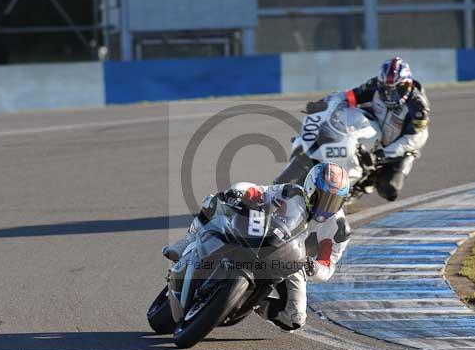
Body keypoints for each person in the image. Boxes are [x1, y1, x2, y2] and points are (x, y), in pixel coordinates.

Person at [162, 162, 352, 331]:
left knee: (295, 318)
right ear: (311, 188)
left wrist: (315, 267)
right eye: (323, 198)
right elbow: (259, 192)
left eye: (333, 201)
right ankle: (188, 240)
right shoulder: (292, 192)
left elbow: (328, 267)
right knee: (217, 201)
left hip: (294, 262)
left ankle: (251, 302)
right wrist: (239, 192)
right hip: (263, 234)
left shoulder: (339, 228)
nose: (326, 206)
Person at [306, 56, 430, 202]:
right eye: (385, 89)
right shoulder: (375, 85)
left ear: (407, 85)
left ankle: (358, 186)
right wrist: (325, 102)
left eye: (396, 90)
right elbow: (350, 95)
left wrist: (381, 155)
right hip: (371, 129)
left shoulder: (418, 108)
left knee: (389, 189)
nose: (389, 95)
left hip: (398, 147)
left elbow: (413, 140)